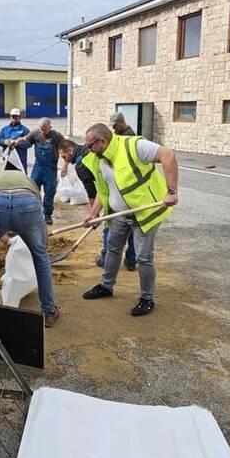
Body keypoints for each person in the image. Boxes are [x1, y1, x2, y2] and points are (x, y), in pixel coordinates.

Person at [79, 123, 179, 317]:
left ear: (102, 141)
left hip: (144, 212)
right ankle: (106, 286)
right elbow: (103, 190)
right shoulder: (99, 159)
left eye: (91, 145)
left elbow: (168, 155)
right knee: (112, 248)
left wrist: (171, 191)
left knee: (144, 257)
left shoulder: (134, 146)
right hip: (119, 215)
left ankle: (147, 298)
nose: (88, 150)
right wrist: (93, 213)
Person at [0, 169, 59, 327]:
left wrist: (5, 239)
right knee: (40, 256)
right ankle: (49, 310)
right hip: (27, 203)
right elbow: (37, 218)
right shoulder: (28, 182)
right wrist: (39, 243)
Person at [59, 139, 136, 271]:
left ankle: (105, 258)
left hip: (112, 192)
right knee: (132, 224)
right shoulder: (89, 149)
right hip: (130, 190)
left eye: (64, 157)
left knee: (109, 226)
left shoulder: (81, 165)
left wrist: (93, 214)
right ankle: (131, 260)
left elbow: (92, 192)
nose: (64, 159)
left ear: (70, 151)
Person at [15, 117, 65, 224]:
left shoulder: (57, 136)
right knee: (33, 189)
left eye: (45, 129)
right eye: (41, 129)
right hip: (38, 167)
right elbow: (25, 139)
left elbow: (65, 149)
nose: (42, 131)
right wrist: (18, 141)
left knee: (49, 192)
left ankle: (47, 215)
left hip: (50, 168)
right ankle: (33, 212)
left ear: (50, 127)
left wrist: (65, 165)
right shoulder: (35, 133)